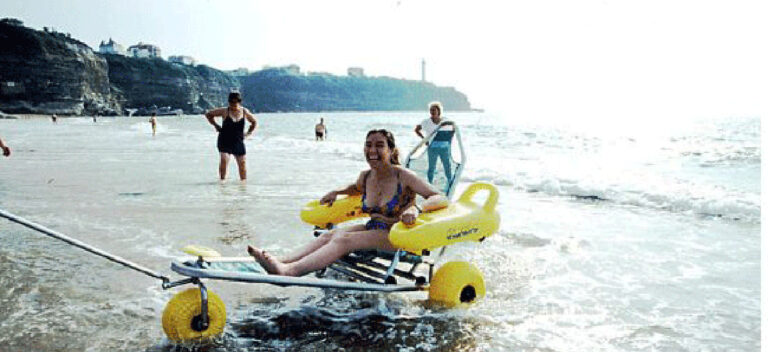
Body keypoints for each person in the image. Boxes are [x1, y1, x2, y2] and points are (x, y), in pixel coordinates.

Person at [247, 129, 447, 277]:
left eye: (379, 145)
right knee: (331, 235)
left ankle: (289, 271)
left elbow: (439, 197)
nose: (372, 150)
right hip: (373, 229)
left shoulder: (404, 176)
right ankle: (280, 261)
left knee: (344, 240)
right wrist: (337, 192)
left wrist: (417, 208)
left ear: (391, 149)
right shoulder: (366, 176)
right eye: (368, 144)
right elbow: (355, 188)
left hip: (398, 236)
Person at [204, 92, 258, 181]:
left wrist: (248, 133)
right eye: (231, 102)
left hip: (238, 141)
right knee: (224, 159)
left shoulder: (244, 111)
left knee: (242, 163)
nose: (233, 104)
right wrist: (216, 125)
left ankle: (243, 185)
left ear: (239, 101)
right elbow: (208, 114)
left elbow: (254, 122)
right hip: (224, 140)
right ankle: (222, 182)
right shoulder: (225, 111)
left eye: (235, 102)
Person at [414, 101, 454, 184]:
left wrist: (450, 140)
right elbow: (417, 130)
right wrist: (424, 140)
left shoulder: (445, 120)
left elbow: (453, 129)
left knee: (447, 166)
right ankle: (430, 183)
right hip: (432, 148)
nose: (432, 112)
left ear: (438, 111)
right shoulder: (426, 122)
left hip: (444, 148)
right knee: (432, 167)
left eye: (434, 110)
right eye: (431, 110)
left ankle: (450, 183)